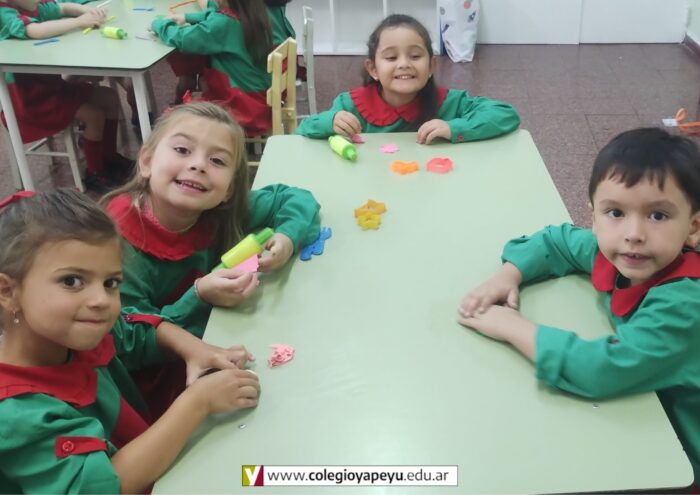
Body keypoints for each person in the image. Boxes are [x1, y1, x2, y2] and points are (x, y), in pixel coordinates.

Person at [458, 128, 700, 486]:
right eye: (615, 212)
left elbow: (602, 370)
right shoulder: (617, 254)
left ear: (693, 227)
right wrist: (508, 276)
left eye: (658, 216)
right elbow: (556, 241)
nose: (633, 233)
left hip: (681, 453)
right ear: (594, 217)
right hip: (644, 416)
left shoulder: (684, 304)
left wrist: (512, 326)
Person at [0, 189, 260, 493]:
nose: (101, 300)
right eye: (72, 281)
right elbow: (101, 487)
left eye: (110, 282)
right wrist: (197, 403)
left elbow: (132, 328)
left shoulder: (70, 334)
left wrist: (196, 349)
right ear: (8, 292)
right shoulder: (16, 413)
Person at [296, 14, 520, 144]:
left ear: (431, 66)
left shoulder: (449, 102)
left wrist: (454, 128)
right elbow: (304, 129)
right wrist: (330, 122)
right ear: (373, 69)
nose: (404, 64)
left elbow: (505, 115)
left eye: (415, 56)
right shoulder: (351, 104)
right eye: (391, 57)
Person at [0, 0, 132, 190]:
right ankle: (95, 172)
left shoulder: (34, 6)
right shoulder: (5, 13)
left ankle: (109, 157)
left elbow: (62, 7)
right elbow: (34, 31)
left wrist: (89, 12)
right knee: (94, 115)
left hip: (53, 88)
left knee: (109, 97)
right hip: (32, 102)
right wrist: (79, 22)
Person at [151, 0, 276, 136]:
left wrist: (159, 24)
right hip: (261, 102)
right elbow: (215, 15)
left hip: (243, 110)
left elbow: (184, 38)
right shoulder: (256, 14)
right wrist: (187, 17)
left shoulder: (223, 23)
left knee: (172, 122)